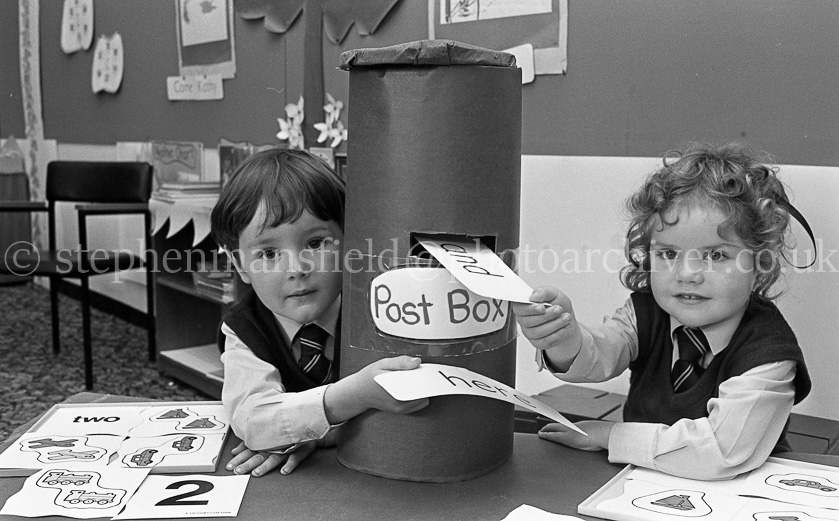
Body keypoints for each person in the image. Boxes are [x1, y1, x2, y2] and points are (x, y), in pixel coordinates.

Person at [514, 143, 811, 480]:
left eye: (716, 256)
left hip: (741, 493)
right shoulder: (647, 311)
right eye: (669, 253)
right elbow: (603, 352)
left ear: (761, 263)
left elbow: (721, 451)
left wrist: (611, 436)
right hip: (639, 480)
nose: (687, 274)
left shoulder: (769, 351)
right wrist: (564, 337)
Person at [210, 148, 428, 477]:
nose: (297, 269)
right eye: (269, 252)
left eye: (315, 243)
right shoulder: (244, 330)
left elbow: (408, 403)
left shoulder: (381, 308)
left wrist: (309, 433)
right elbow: (253, 421)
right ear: (240, 266)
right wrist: (354, 397)